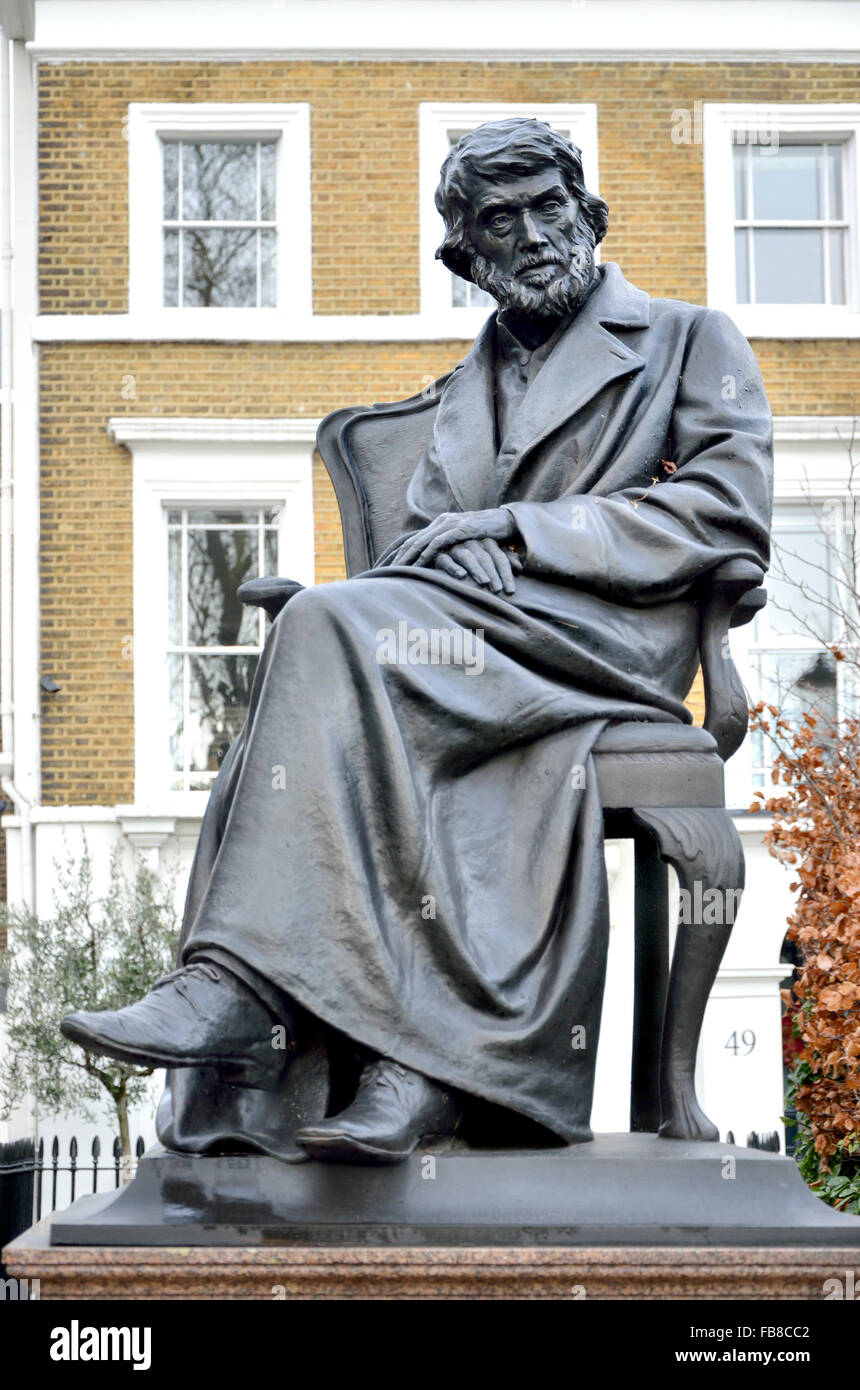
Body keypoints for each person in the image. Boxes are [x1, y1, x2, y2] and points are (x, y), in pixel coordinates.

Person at [62, 119, 772, 1164]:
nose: (531, 235)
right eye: (498, 221)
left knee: (326, 626)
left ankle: (236, 996)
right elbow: (423, 549)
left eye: (546, 207)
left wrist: (517, 531)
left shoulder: (683, 339)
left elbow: (724, 508)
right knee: (330, 638)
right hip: (467, 647)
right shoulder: (462, 394)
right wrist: (447, 557)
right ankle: (406, 1067)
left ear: (584, 212)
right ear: (468, 258)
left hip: (602, 644)